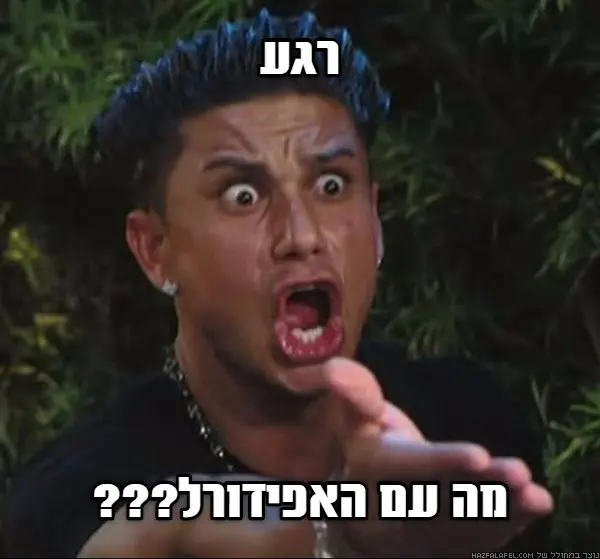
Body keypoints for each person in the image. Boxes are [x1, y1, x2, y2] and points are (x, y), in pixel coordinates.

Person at [2, 9, 554, 558]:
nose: (302, 234)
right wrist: (337, 536)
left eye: (331, 185)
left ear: (375, 219)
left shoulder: (471, 426)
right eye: (242, 196)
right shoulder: (70, 495)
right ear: (155, 250)